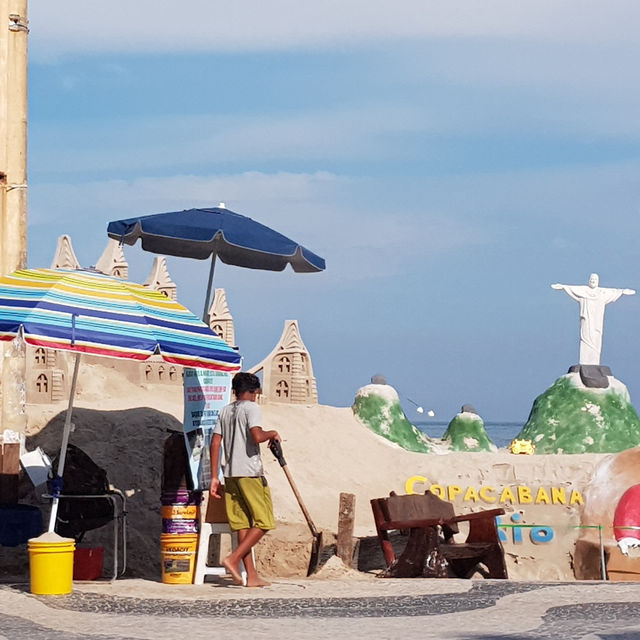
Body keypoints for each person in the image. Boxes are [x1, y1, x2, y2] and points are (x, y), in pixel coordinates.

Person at [209, 372, 280, 587]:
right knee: (264, 521)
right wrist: (273, 433)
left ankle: (252, 576)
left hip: (230, 474)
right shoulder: (252, 408)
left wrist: (214, 476)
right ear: (253, 392)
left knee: (243, 524)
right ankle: (233, 558)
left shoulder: (225, 410)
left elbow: (215, 443)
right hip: (250, 473)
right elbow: (257, 436)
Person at [551, 273, 635, 365]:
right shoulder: (583, 291)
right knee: (585, 336)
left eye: (595, 279)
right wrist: (563, 287)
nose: (593, 281)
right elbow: (573, 288)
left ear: (598, 281)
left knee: (596, 337)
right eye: (591, 279)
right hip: (586, 319)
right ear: (588, 281)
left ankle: (594, 361)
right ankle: (584, 361)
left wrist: (622, 291)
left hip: (597, 321)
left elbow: (613, 292)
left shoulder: (602, 293)